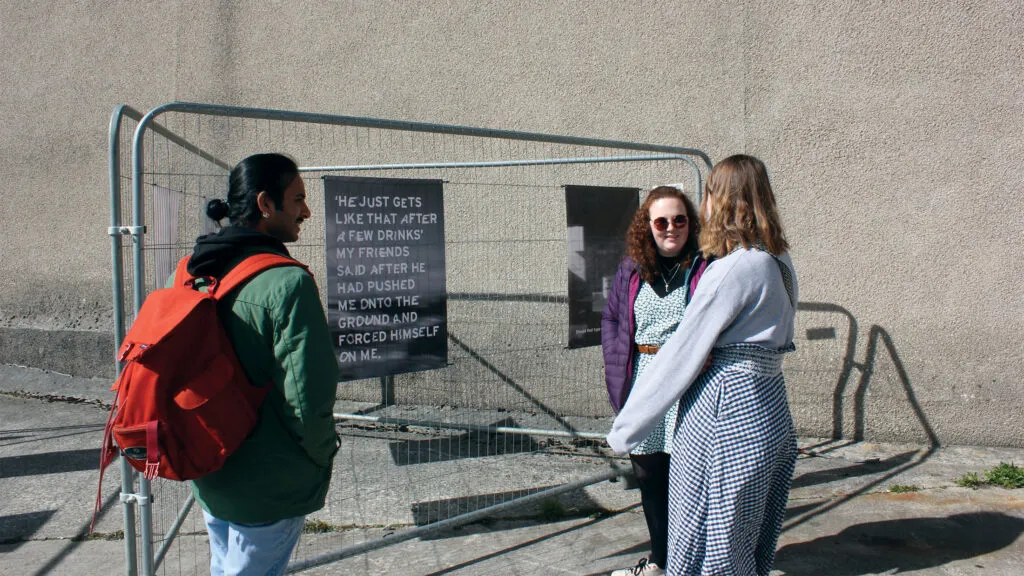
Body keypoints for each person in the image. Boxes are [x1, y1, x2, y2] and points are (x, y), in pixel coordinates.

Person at [607, 155, 799, 576]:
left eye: (709, 193)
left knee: (705, 530)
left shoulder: (734, 268)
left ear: (724, 200)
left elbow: (681, 355)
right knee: (746, 532)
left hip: (724, 410)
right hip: (770, 405)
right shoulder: (780, 260)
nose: (704, 205)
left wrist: (625, 429)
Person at [181, 153, 340, 576]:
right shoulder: (288, 283)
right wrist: (322, 455)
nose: (306, 211)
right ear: (266, 204)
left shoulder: (194, 272)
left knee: (224, 566)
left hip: (210, 466)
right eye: (298, 199)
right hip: (270, 482)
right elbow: (308, 396)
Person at [602, 185, 709, 576]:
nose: (671, 228)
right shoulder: (632, 269)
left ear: (690, 223)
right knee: (648, 476)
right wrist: (615, 362)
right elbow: (612, 317)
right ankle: (660, 561)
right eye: (661, 221)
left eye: (679, 220)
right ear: (647, 225)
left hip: (686, 383)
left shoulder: (704, 266)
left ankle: (692, 561)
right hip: (643, 381)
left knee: (688, 478)